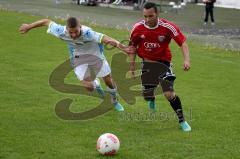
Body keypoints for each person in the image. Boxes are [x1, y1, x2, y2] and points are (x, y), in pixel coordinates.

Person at [19, 17, 134, 112]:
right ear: (66, 29)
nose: (73, 35)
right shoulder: (60, 31)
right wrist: (29, 27)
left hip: (96, 57)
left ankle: (114, 100)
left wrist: (124, 49)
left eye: (76, 32)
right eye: (71, 32)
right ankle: (95, 84)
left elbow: (107, 39)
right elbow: (46, 22)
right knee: (89, 87)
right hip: (79, 58)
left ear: (80, 27)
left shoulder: (88, 33)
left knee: (108, 81)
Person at [128, 2, 191, 132]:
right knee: (147, 95)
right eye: (145, 16)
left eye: (150, 16)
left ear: (157, 14)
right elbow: (132, 47)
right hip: (147, 64)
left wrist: (186, 60)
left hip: (163, 63)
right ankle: (151, 98)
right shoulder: (137, 28)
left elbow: (183, 43)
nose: (147, 19)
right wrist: (132, 66)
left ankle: (182, 121)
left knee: (169, 93)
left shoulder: (168, 27)